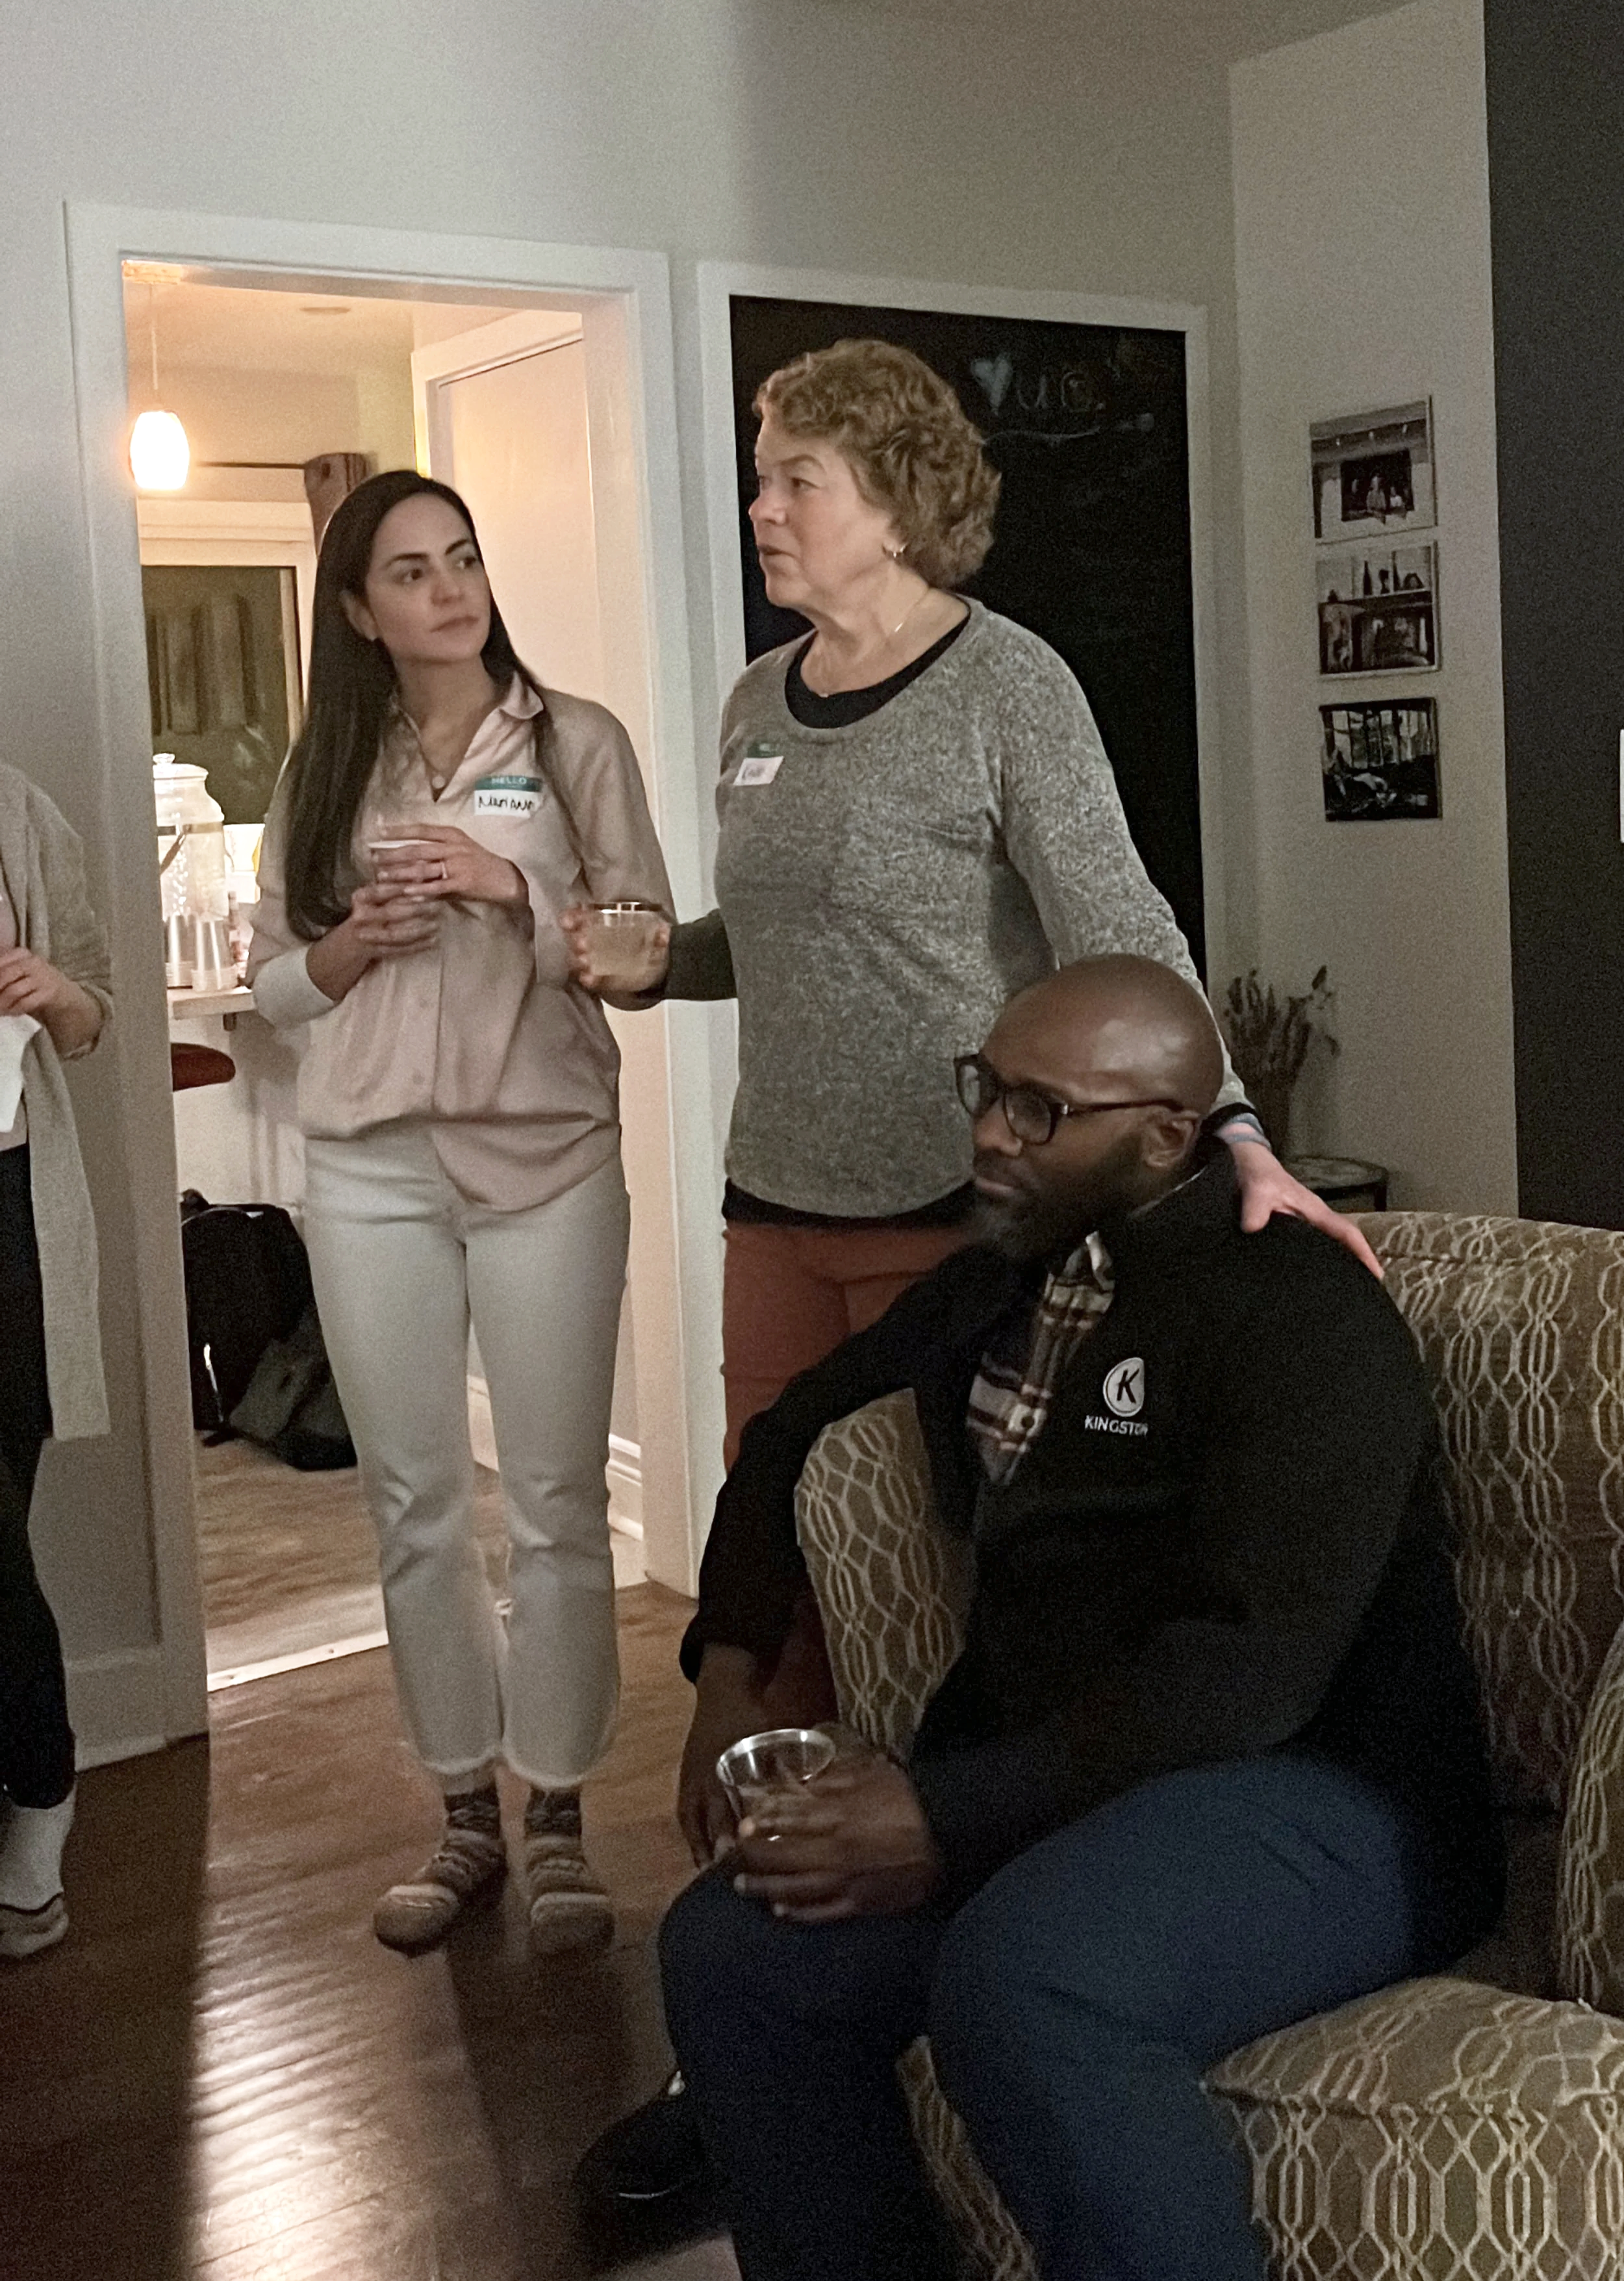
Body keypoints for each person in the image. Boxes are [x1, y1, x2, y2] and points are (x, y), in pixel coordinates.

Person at [569, 335, 1380, 2206]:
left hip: (968, 1211)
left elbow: (1119, 928)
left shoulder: (1009, 683)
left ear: (897, 494)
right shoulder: (756, 700)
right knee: (775, 1597)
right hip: (775, 1196)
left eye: (793, 479)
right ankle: (757, 2023)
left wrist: (1235, 1130)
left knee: (938, 1613)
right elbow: (765, 935)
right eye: (762, 475)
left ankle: (939, 1942)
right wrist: (650, 959)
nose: (761, 508)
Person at [659, 956, 1503, 2281]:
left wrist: (943, 1816)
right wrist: (727, 1673)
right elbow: (788, 1434)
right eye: (985, 1090)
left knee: (1031, 1980)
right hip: (1071, 1782)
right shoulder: (997, 1279)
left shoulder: (1295, 1306)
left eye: (1038, 1111)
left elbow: (1256, 1665)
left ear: (1167, 1133)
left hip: (1321, 1791)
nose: (992, 1131)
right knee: (737, 1948)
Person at [248, 470, 672, 1958]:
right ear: (359, 610)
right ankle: (463, 1817)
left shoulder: (574, 748)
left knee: (555, 1505)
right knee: (414, 1504)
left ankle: (555, 1815)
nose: (451, 590)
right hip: (370, 1171)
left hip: (546, 1158)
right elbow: (271, 992)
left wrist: (514, 889)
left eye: (465, 560)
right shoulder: (324, 774)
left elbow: (644, 949)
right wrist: (353, 944)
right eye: (412, 572)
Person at [0, 764, 113, 1961]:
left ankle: (41, 1792)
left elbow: (95, 1017)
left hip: (9, 1223)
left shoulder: (22, 814)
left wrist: (54, 989)